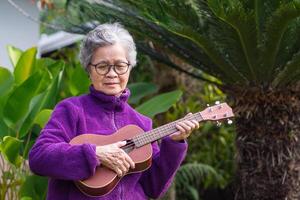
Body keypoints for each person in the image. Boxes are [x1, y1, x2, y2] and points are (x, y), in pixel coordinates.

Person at [29, 22, 200, 200]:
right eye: (102, 66)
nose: (112, 74)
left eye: (119, 66)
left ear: (130, 67)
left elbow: (153, 187)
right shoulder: (71, 110)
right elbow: (39, 157)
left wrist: (174, 144)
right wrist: (95, 154)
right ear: (89, 69)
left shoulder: (141, 123)